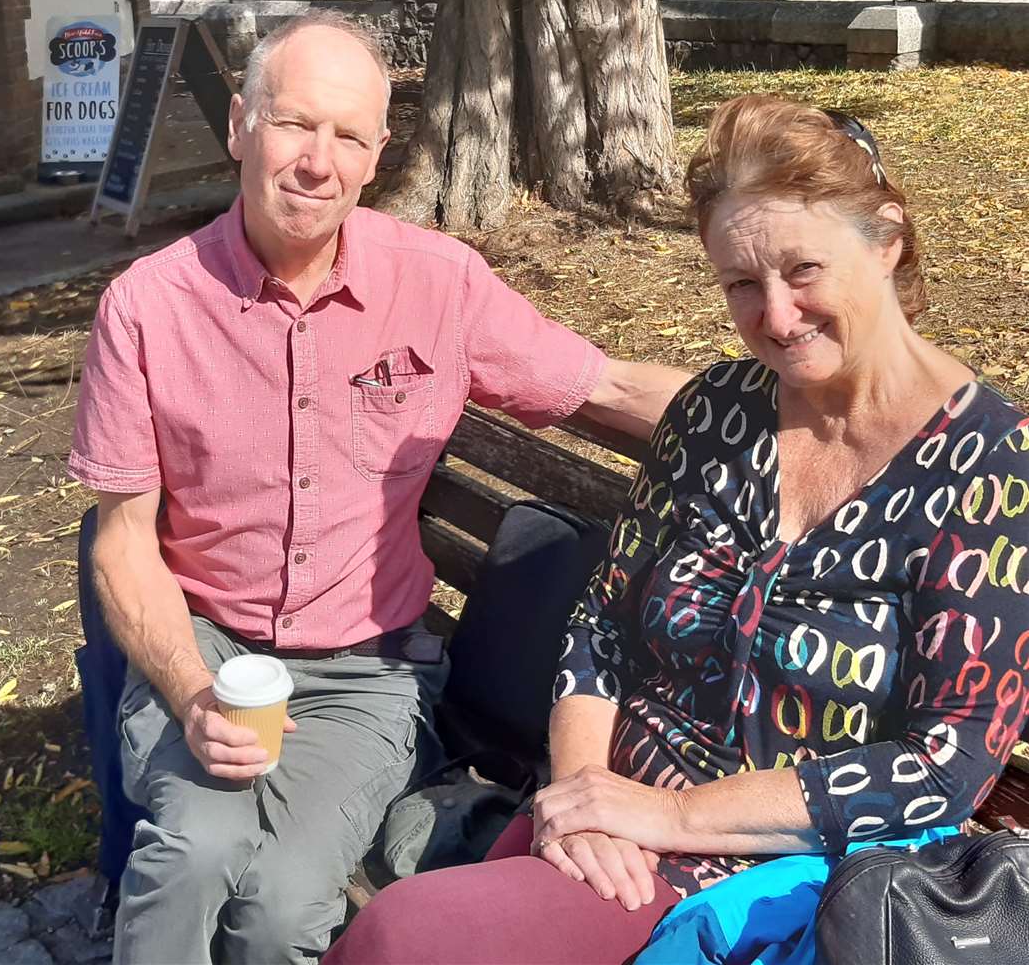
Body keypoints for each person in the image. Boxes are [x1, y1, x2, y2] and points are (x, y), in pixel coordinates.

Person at [323, 94, 1029, 965]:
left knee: (404, 940)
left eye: (803, 269)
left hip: (791, 877)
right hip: (607, 826)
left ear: (885, 241)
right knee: (401, 937)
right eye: (741, 282)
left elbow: (943, 765)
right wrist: (586, 793)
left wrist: (672, 818)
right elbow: (601, 630)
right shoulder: (716, 415)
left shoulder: (992, 470)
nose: (774, 316)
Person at [68, 12, 687, 965]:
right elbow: (121, 541)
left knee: (277, 910)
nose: (317, 160)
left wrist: (821, 402)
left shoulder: (437, 284)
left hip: (369, 672)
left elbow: (602, 387)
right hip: (212, 648)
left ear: (375, 157)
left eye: (348, 137)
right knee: (195, 852)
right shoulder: (148, 308)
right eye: (294, 123)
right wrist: (192, 692)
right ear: (240, 125)